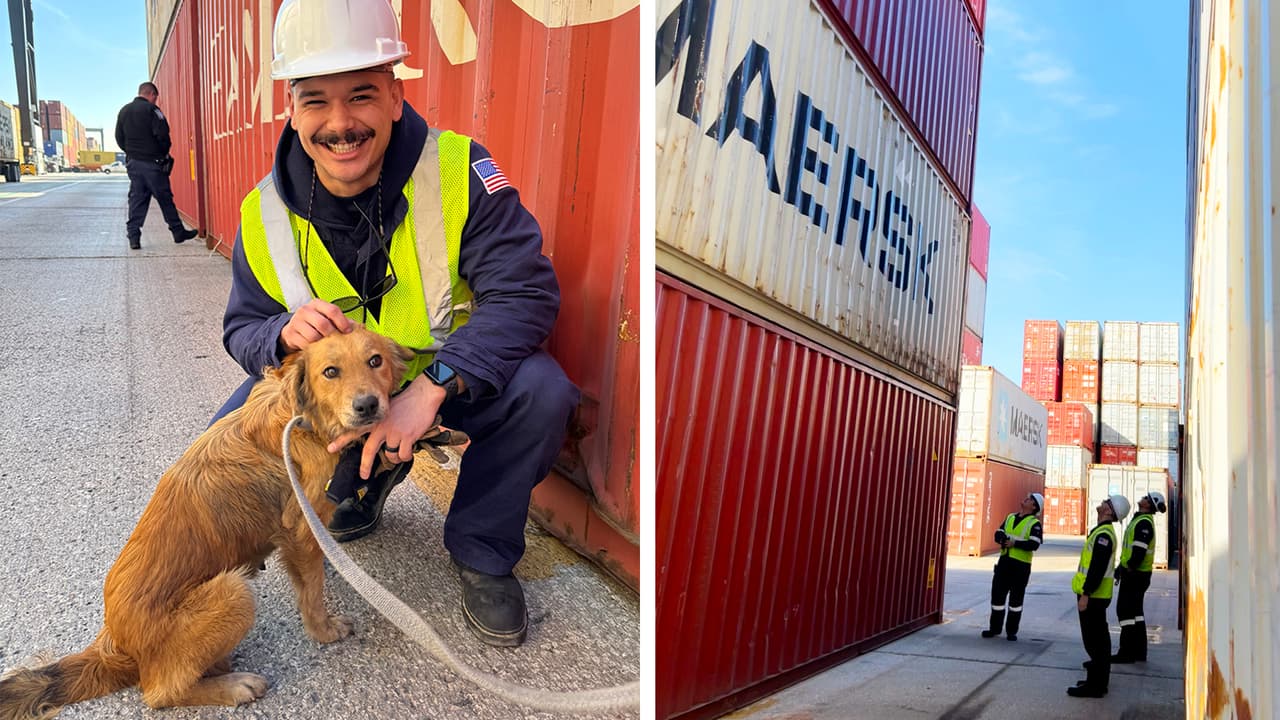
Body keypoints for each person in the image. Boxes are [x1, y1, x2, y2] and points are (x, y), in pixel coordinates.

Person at [211, 0, 578, 648]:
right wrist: (279, 334)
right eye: (317, 101)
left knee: (542, 392)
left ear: (395, 97)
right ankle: (361, 483)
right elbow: (242, 326)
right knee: (227, 435)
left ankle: (484, 553)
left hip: (444, 384)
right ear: (292, 111)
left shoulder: (458, 171)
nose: (341, 123)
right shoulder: (261, 212)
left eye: (361, 95)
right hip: (336, 396)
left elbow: (523, 293)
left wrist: (430, 387)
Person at [114, 82, 199, 249]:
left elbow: (119, 138)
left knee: (137, 198)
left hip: (134, 164)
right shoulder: (152, 111)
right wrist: (162, 153)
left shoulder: (124, 111)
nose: (155, 101)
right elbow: (163, 135)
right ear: (152, 94)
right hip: (152, 164)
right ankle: (177, 231)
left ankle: (134, 237)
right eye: (155, 98)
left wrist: (132, 152)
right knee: (164, 197)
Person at [1068, 494, 1129, 698]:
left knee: (1095, 642)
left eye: (1106, 502)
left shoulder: (1104, 535)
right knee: (1096, 641)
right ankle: (1096, 680)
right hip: (1095, 595)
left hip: (1093, 596)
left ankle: (1096, 686)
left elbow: (1096, 568)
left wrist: (1086, 594)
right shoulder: (1102, 532)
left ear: (1109, 511)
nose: (1102, 502)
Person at [1112, 490, 1168, 663]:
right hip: (1137, 574)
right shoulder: (1141, 520)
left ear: (1148, 504)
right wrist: (1122, 566)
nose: (1142, 498)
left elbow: (1138, 553)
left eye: (1146, 498)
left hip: (1135, 575)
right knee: (1136, 613)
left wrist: (1126, 568)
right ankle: (1139, 652)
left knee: (1125, 612)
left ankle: (1127, 652)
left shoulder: (1143, 523)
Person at [980, 492, 1044, 642]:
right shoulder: (1010, 517)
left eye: (1029, 499)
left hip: (1020, 567)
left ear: (1034, 506)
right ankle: (994, 628)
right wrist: (1002, 539)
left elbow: (1034, 544)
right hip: (1004, 563)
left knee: (1016, 601)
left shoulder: (1034, 524)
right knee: (997, 597)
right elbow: (998, 532)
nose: (1026, 499)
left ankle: (1011, 631)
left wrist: (1015, 543)